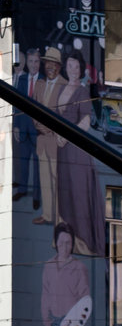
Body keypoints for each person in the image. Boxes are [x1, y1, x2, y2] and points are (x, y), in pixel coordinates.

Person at [55, 54, 105, 257]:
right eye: (69, 65)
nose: (72, 69)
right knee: (65, 193)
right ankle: (68, 239)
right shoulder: (61, 88)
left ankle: (85, 241)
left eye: (76, 66)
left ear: (81, 69)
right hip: (62, 149)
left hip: (76, 150)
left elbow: (85, 122)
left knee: (79, 193)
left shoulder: (83, 91)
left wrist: (66, 137)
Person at [41, 223, 91, 326]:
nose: (64, 246)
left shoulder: (79, 268)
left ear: (72, 244)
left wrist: (72, 323)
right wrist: (47, 325)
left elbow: (85, 300)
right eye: (61, 242)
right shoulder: (49, 266)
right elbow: (45, 296)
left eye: (68, 242)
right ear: (56, 242)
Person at [33, 46, 67, 227]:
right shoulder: (39, 84)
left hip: (55, 140)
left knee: (57, 180)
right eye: (47, 64)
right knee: (44, 179)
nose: (50, 67)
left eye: (53, 64)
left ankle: (59, 218)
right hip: (42, 139)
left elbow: (65, 114)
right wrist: (40, 126)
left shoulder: (64, 86)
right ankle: (47, 215)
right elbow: (33, 109)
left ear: (59, 66)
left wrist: (51, 130)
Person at [12, 46, 42, 210]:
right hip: (23, 128)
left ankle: (36, 197)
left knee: (37, 165)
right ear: (27, 63)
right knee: (23, 161)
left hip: (38, 132)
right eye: (30, 61)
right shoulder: (22, 80)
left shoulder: (43, 81)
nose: (33, 64)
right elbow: (17, 104)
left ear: (39, 62)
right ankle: (22, 189)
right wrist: (16, 126)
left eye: (36, 61)